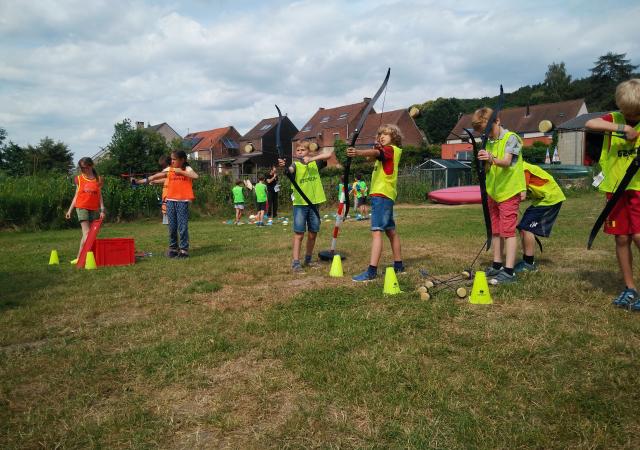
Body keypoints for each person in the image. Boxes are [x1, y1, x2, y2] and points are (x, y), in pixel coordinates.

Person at [585, 78, 640, 308]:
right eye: (629, 114)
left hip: (638, 188)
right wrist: (622, 127)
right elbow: (590, 124)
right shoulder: (615, 119)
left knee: (638, 236)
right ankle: (630, 288)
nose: (632, 118)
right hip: (616, 189)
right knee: (622, 238)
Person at [472, 107, 526, 285]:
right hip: (493, 192)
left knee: (508, 231)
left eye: (486, 130)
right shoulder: (488, 142)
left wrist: (490, 158)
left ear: (497, 121)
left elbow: (506, 161)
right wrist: (482, 162)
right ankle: (497, 264)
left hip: (509, 191)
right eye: (481, 132)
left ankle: (509, 271)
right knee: (495, 230)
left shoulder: (511, 138)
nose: (484, 134)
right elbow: (489, 167)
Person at [347, 124, 405, 282]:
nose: (382, 136)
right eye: (380, 134)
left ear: (394, 137)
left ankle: (371, 271)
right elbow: (371, 156)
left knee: (377, 231)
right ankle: (399, 265)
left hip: (382, 195)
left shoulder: (391, 149)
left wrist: (357, 152)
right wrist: (372, 149)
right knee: (390, 231)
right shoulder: (387, 153)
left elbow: (374, 153)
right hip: (386, 195)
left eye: (386, 134)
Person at [278, 141, 332, 272]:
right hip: (300, 204)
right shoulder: (295, 165)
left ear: (309, 151)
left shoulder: (315, 163)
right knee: (299, 234)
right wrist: (284, 167)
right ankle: (296, 262)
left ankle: (308, 259)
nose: (300, 152)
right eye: (298, 150)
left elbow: (329, 154)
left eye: (303, 150)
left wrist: (312, 158)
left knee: (313, 233)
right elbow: (289, 170)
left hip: (314, 203)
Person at [133, 150, 198, 258]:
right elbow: (155, 176)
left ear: (182, 160)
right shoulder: (170, 169)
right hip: (170, 201)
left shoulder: (187, 169)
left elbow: (195, 176)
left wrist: (180, 172)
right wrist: (138, 181)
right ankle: (173, 248)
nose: (171, 161)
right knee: (172, 227)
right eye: (171, 159)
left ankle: (184, 251)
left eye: (174, 159)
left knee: (182, 227)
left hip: (182, 201)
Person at [515, 161, 566, 272]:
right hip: (541, 200)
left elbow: (522, 195)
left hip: (550, 198)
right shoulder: (518, 168)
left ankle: (529, 263)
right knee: (522, 227)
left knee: (526, 228)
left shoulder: (523, 169)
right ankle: (526, 260)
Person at [65, 157, 105, 263]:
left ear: (91, 166)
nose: (83, 170)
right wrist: (70, 210)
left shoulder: (98, 179)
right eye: (81, 168)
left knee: (86, 234)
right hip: (81, 207)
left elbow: (100, 195)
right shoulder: (79, 178)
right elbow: (76, 195)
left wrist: (102, 209)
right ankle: (86, 258)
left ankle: (79, 257)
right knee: (87, 233)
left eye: (85, 167)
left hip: (94, 208)